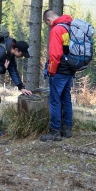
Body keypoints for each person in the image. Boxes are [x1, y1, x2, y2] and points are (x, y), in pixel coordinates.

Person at [41, 9, 75, 141]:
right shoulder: (69, 26)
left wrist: (51, 72)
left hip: (59, 70)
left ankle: (55, 131)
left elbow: (55, 55)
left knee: (54, 100)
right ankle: (67, 128)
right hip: (70, 69)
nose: (49, 26)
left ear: (49, 20)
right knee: (66, 98)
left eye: (47, 24)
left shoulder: (56, 30)